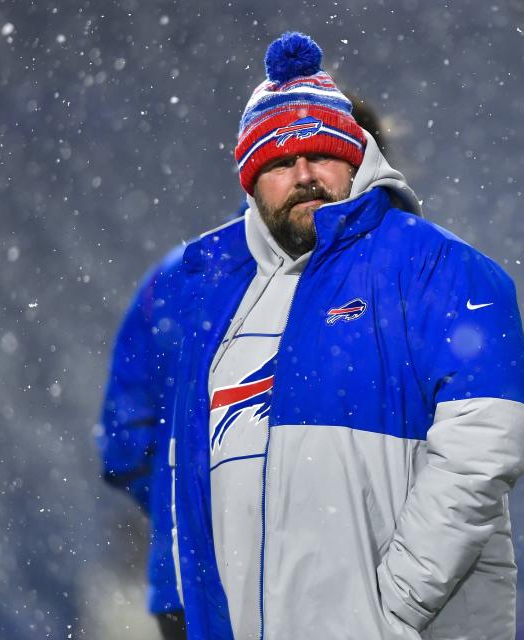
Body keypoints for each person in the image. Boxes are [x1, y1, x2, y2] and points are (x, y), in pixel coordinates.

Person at [168, 32, 524, 639]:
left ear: (357, 158)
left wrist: (386, 616)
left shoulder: (441, 269)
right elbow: (195, 498)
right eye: (280, 163)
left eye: (321, 154)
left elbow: (485, 447)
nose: (304, 174)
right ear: (252, 183)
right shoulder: (214, 305)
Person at [99, 112, 389, 640]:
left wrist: (194, 506)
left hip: (194, 584)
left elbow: (123, 443)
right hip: (346, 587)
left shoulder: (180, 276)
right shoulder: (400, 284)